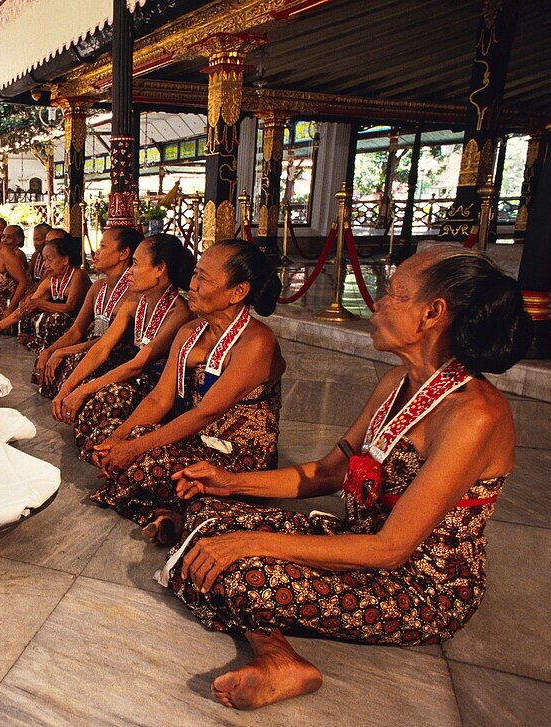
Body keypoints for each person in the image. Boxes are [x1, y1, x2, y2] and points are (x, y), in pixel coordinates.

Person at [162, 247, 530, 711]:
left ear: (432, 314)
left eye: (395, 294)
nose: (378, 302)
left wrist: (250, 543)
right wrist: (230, 482)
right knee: (210, 516)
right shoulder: (397, 382)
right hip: (360, 541)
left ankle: (278, 656)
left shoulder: (474, 414)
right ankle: (278, 654)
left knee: (239, 565)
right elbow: (330, 472)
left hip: (415, 584)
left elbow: (391, 549)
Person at [80, 240, 283, 539]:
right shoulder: (190, 330)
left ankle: (188, 511)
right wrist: (117, 439)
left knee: (146, 460)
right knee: (107, 435)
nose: (193, 284)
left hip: (237, 457)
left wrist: (133, 448)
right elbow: (160, 397)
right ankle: (173, 513)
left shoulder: (257, 342)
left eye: (204, 278)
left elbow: (206, 413)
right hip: (196, 439)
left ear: (237, 292)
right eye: (195, 274)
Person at [57, 233, 193, 444]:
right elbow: (102, 347)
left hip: (159, 394)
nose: (129, 272)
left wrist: (83, 390)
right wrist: (68, 387)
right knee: (89, 393)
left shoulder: (179, 313)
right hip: (136, 382)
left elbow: (137, 365)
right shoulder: (134, 303)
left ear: (160, 269)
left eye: (136, 264)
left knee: (104, 402)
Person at [35, 226, 141, 399]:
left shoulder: (133, 294)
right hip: (93, 346)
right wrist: (50, 351)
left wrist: (64, 351)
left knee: (73, 360)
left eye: (103, 247)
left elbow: (108, 343)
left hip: (114, 354)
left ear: (123, 253)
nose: (96, 252)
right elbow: (76, 330)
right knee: (48, 358)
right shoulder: (98, 287)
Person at [0, 234, 89, 351]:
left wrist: (40, 303)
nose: (45, 265)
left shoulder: (77, 275)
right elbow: (25, 308)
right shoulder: (50, 280)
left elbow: (70, 307)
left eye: (50, 260)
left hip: (80, 325)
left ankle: (42, 344)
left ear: (65, 260)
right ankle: (39, 342)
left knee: (54, 320)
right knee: (29, 314)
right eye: (44, 260)